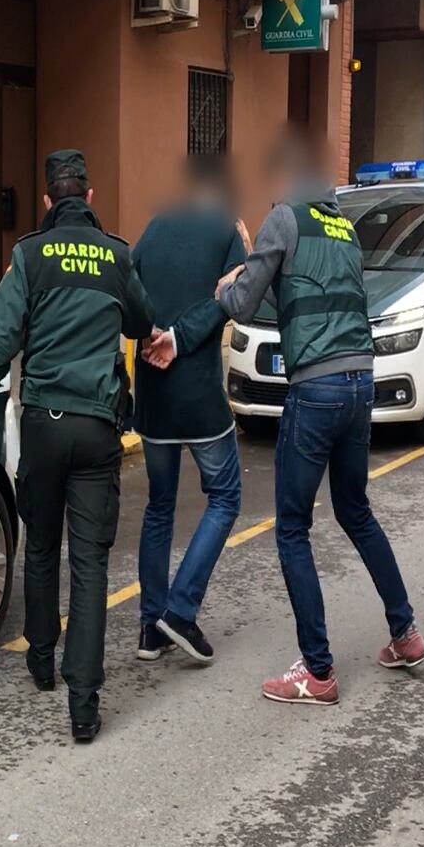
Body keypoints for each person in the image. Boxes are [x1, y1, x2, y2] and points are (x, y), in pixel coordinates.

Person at [212, 131, 424, 706]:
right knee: (355, 510)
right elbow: (307, 297)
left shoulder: (284, 219)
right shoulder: (343, 228)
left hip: (317, 389)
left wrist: (233, 277)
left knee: (291, 527)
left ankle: (318, 670)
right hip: (361, 385)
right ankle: (404, 632)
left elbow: (244, 304)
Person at [0, 149, 155, 742]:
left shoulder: (29, 256)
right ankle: (85, 705)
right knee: (89, 564)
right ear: (88, 197)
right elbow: (141, 322)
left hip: (42, 423)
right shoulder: (116, 256)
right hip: (97, 429)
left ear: (47, 200)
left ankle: (41, 660)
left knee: (41, 546)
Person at [131, 156, 246, 664]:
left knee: (159, 507)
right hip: (199, 398)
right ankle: (180, 609)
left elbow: (130, 296)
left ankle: (149, 630)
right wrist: (177, 337)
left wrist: (150, 334)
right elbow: (234, 300)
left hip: (154, 395)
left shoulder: (153, 229)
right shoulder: (227, 231)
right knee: (224, 496)